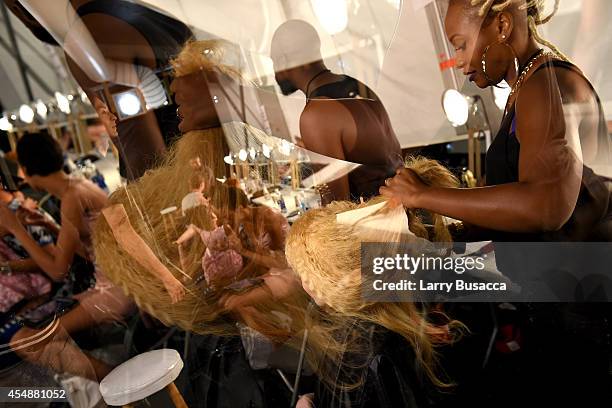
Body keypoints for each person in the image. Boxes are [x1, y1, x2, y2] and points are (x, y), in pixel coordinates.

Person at [381, 0, 611, 404]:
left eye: (461, 44)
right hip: (549, 290)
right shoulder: (525, 87)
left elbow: (545, 207)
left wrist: (425, 195)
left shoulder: (546, 84)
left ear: (502, 24)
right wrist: (440, 228)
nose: (458, 62)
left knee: (383, 273)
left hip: (581, 310)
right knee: (388, 271)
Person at [0, 132, 133, 381]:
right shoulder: (77, 186)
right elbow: (87, 250)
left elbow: (58, 270)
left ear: (26, 170)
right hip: (117, 283)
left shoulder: (72, 198)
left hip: (116, 291)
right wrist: (49, 226)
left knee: (28, 342)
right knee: (30, 336)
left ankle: (118, 383)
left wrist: (16, 228)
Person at [271, 19, 403, 203]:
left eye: (273, 61)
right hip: (402, 211)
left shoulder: (316, 114)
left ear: (282, 60)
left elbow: (335, 204)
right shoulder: (356, 86)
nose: (274, 71)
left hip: (382, 223)